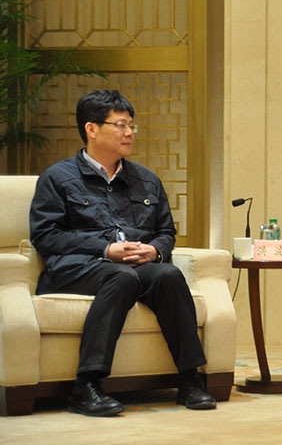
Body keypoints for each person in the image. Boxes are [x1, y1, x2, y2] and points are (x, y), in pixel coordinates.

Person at [29, 89, 216, 416]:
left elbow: (166, 233)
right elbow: (46, 236)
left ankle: (189, 380)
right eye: (119, 125)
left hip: (133, 267)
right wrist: (105, 249)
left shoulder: (146, 180)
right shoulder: (57, 178)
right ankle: (86, 386)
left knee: (169, 275)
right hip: (77, 268)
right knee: (121, 276)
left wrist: (154, 251)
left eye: (131, 125)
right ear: (91, 129)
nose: (129, 132)